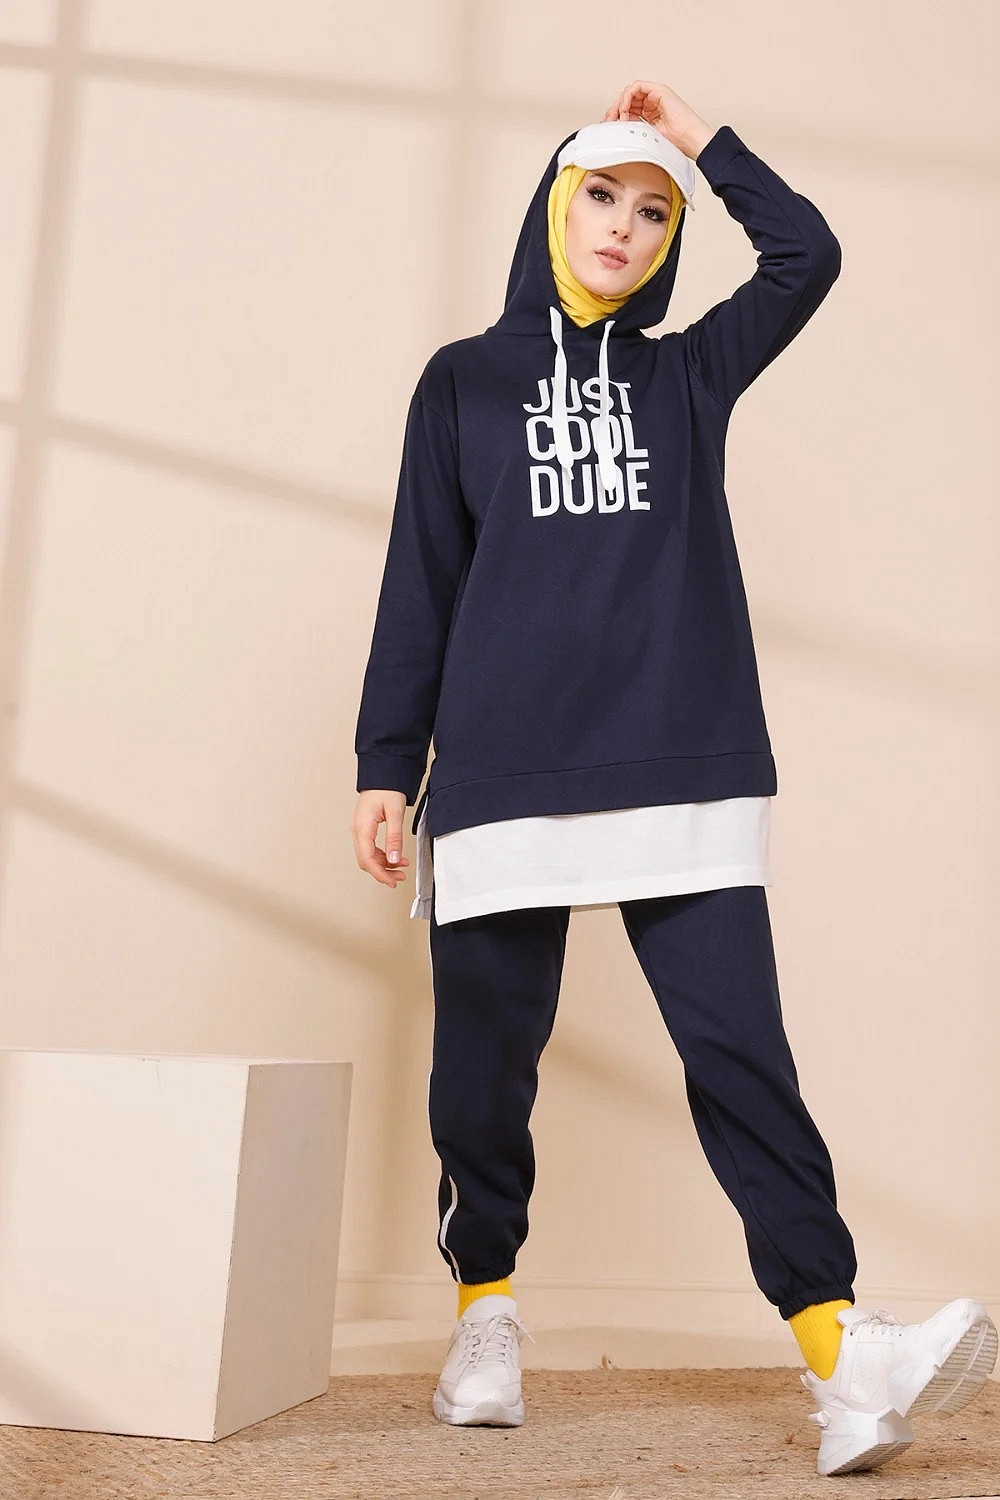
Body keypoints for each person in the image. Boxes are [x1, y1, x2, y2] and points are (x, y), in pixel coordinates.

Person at [351, 79, 997, 1478]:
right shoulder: (462, 383)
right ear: (552, 205)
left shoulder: (688, 376)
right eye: (602, 195)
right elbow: (421, 580)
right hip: (505, 768)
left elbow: (808, 253)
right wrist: (386, 763)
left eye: (655, 213)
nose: (625, 227)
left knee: (742, 1060)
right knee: (482, 1074)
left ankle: (841, 1352)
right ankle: (484, 1311)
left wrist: (704, 145)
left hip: (683, 763)